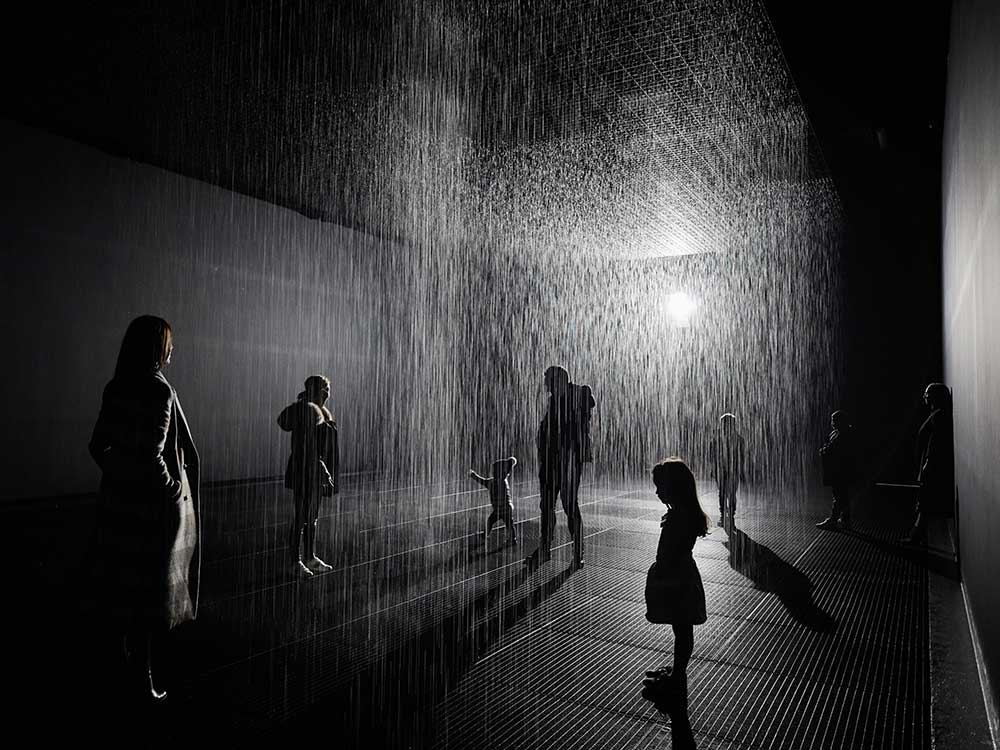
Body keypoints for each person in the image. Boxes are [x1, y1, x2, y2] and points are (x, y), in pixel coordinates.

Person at [88, 315, 200, 702]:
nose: (173, 352)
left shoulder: (116, 386)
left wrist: (120, 477)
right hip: (147, 511)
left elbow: (96, 446)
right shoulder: (158, 391)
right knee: (149, 592)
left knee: (119, 584)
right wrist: (170, 490)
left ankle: (120, 667)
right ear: (158, 348)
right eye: (169, 344)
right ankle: (143, 679)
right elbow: (153, 455)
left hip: (115, 503)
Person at [643, 458, 709, 700]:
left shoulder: (678, 518)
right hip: (683, 575)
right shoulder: (684, 513)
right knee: (682, 628)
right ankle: (678, 672)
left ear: (674, 488)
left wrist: (660, 574)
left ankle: (678, 678)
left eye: (660, 486)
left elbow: (669, 552)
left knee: (681, 628)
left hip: (676, 579)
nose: (657, 491)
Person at [525, 365, 595, 569]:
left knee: (569, 503)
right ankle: (545, 547)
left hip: (569, 458)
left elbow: (588, 405)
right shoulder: (554, 399)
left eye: (548, 380)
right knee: (546, 504)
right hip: (550, 459)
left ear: (558, 380)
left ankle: (577, 551)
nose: (545, 385)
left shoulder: (579, 393)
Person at [278, 375, 339, 576]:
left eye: (328, 389)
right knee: (301, 517)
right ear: (313, 390)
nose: (327, 393)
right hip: (305, 470)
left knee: (311, 517)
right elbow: (305, 446)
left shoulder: (320, 412)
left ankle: (310, 558)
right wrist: (319, 466)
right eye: (323, 389)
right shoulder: (307, 410)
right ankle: (294, 562)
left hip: (314, 472)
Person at [903, 383, 954, 544]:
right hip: (929, 463)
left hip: (931, 465)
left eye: (927, 394)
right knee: (924, 502)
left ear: (934, 396)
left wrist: (927, 464)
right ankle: (917, 536)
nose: (924, 397)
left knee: (924, 502)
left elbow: (936, 443)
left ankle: (916, 537)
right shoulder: (936, 414)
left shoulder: (938, 416)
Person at [817, 410, 857, 530]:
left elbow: (837, 451)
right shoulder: (837, 433)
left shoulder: (843, 434)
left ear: (841, 421)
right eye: (832, 420)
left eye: (835, 420)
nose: (832, 423)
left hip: (840, 470)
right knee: (842, 495)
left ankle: (833, 520)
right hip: (837, 469)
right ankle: (845, 520)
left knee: (839, 495)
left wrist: (825, 451)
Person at [469, 457, 519, 546]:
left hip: (501, 508)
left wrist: (473, 475)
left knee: (491, 520)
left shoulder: (494, 482)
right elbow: (506, 472)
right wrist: (510, 464)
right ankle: (513, 539)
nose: (493, 472)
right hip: (507, 507)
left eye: (494, 471)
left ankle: (485, 535)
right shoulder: (503, 480)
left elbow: (482, 481)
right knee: (509, 524)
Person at [708, 413, 746, 530]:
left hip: (726, 470)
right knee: (727, 494)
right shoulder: (738, 439)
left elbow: (711, 455)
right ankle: (728, 516)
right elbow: (712, 455)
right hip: (728, 470)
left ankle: (725, 516)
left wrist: (713, 468)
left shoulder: (718, 439)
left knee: (725, 494)